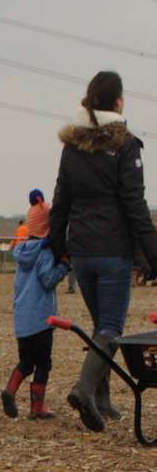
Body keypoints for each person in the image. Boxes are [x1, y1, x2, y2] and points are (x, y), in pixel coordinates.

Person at [48, 71, 157, 432]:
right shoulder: (126, 146)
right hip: (112, 252)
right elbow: (134, 206)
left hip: (81, 252)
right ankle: (84, 389)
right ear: (119, 103)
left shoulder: (72, 146)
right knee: (110, 327)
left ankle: (104, 400)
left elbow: (61, 200)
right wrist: (153, 254)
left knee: (100, 329)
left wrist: (57, 247)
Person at [2, 195, 68, 421]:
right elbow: (47, 280)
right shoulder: (44, 253)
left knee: (26, 362)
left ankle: (10, 390)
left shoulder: (23, 252)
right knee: (43, 363)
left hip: (22, 319)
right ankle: (37, 406)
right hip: (41, 319)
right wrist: (63, 267)